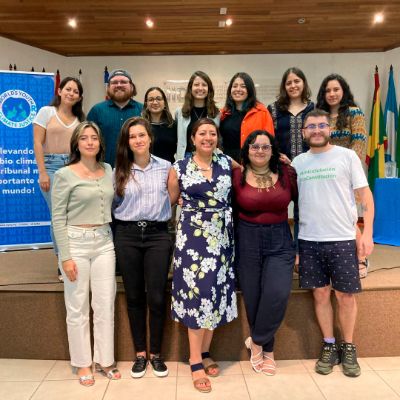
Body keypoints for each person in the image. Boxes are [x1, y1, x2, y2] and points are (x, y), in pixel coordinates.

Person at [291, 109, 374, 378]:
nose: (316, 130)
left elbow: (365, 198)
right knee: (321, 294)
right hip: (309, 239)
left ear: (329, 129)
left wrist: (367, 232)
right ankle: (329, 344)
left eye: (321, 125)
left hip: (341, 239)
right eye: (311, 126)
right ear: (303, 132)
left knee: (346, 296)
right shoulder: (297, 163)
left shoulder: (346, 156)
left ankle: (348, 346)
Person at [169, 118, 238, 393]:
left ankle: (206, 351)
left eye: (212, 133)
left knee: (215, 294)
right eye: (202, 133)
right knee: (197, 295)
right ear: (192, 137)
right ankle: (194, 359)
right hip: (193, 240)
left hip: (221, 238)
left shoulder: (226, 164)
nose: (207, 137)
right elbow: (173, 200)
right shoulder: (179, 167)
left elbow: (252, 174)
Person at [52, 121, 120, 386]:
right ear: (76, 144)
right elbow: (57, 218)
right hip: (75, 243)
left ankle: (105, 360)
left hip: (104, 242)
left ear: (100, 143)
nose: (90, 142)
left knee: (105, 303)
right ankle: (82, 363)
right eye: (84, 138)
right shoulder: (64, 174)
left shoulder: (108, 170)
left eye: (94, 138)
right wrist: (65, 257)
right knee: (77, 306)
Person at [113, 117, 178, 378]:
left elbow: (172, 197)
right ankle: (140, 353)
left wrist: (157, 213)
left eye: (142, 135)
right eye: (132, 137)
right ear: (127, 142)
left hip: (157, 235)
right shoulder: (118, 168)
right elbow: (113, 203)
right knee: (134, 296)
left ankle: (156, 354)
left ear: (150, 138)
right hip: (127, 234)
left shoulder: (166, 167)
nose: (138, 140)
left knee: (157, 296)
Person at [232, 130, 297, 376]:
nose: (260, 151)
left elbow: (302, 206)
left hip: (280, 239)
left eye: (265, 147)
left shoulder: (287, 173)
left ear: (273, 150)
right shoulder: (235, 175)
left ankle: (256, 340)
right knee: (253, 296)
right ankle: (268, 350)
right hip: (247, 238)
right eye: (254, 146)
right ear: (247, 150)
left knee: (277, 292)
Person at [316, 74, 369, 278]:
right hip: (324, 176)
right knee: (335, 217)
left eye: (336, 89)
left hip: (347, 174)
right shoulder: (321, 116)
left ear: (343, 91)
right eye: (328, 90)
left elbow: (360, 143)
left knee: (350, 218)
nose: (332, 94)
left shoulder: (354, 113)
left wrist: (347, 171)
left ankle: (361, 258)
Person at [33, 76, 84, 281]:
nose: (71, 93)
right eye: (68, 89)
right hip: (51, 166)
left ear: (80, 97)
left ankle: (73, 257)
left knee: (72, 216)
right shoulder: (46, 112)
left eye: (76, 91)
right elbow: (37, 143)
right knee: (58, 217)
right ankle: (61, 260)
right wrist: (42, 172)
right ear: (60, 91)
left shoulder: (81, 120)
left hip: (73, 167)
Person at [87, 69, 143, 167]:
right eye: (114, 82)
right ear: (108, 87)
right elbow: (87, 141)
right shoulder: (97, 110)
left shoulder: (143, 110)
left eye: (123, 82)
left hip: (137, 169)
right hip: (103, 170)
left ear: (131, 86)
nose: (119, 85)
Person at [220, 72, 274, 162]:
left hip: (253, 163)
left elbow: (270, 142)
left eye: (243, 86)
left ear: (250, 90)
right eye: (235, 86)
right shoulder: (223, 113)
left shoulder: (262, 112)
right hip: (227, 163)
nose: (238, 89)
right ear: (230, 89)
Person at [268, 67, 314, 161]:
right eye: (288, 83)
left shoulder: (314, 109)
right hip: (281, 166)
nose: (293, 85)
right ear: (284, 87)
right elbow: (268, 139)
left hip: (310, 165)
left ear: (304, 83)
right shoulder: (273, 109)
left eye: (297, 81)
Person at [175, 71, 220, 160]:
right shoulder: (179, 112)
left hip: (208, 158)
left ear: (209, 89)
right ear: (190, 88)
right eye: (196, 84)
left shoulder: (216, 113)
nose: (200, 88)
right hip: (185, 158)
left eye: (204, 85)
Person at [142, 86, 177, 163]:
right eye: (151, 100)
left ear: (164, 103)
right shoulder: (141, 126)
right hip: (146, 170)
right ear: (146, 104)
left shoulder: (173, 125)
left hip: (169, 170)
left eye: (158, 99)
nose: (155, 102)